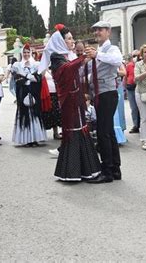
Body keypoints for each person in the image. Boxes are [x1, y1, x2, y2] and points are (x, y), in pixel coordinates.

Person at [40, 24, 101, 181]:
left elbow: (77, 71)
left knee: (81, 127)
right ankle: (71, 171)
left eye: (72, 38)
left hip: (77, 97)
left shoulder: (68, 55)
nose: (72, 41)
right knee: (73, 129)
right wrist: (82, 59)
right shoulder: (57, 57)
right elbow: (66, 71)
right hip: (68, 100)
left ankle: (85, 170)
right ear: (60, 41)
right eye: (68, 39)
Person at [84, 21, 123, 184]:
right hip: (100, 93)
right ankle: (114, 168)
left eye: (100, 30)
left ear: (108, 31)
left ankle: (107, 170)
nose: (97, 32)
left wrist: (96, 55)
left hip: (107, 93)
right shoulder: (99, 51)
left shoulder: (111, 49)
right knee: (108, 132)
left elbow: (117, 60)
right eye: (96, 30)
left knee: (103, 132)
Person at [12, 44, 47, 147]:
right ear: (22, 53)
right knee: (24, 115)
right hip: (23, 93)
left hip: (34, 93)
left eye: (28, 52)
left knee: (35, 114)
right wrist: (30, 77)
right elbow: (17, 79)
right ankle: (26, 139)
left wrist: (26, 75)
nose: (26, 54)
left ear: (31, 53)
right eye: (24, 52)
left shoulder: (36, 64)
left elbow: (38, 78)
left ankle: (35, 138)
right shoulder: (17, 65)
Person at [125, 53, 140, 133]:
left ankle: (140, 125)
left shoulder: (140, 65)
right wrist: (125, 86)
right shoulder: (129, 65)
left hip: (139, 87)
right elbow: (126, 76)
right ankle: (136, 125)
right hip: (130, 88)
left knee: (140, 108)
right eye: (133, 56)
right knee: (134, 108)